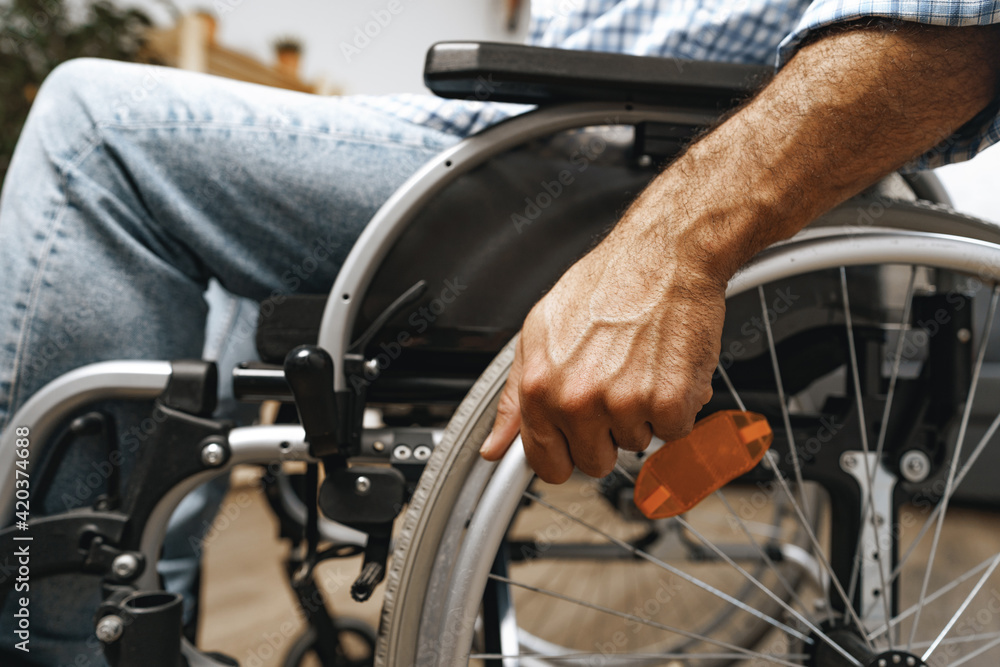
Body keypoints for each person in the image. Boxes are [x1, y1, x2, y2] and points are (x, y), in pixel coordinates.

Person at [0, 0, 998, 664]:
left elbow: (953, 25)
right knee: (211, 259)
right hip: (579, 144)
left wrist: (666, 251)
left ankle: (56, 638)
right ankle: (131, 619)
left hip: (598, 171)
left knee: (95, 135)